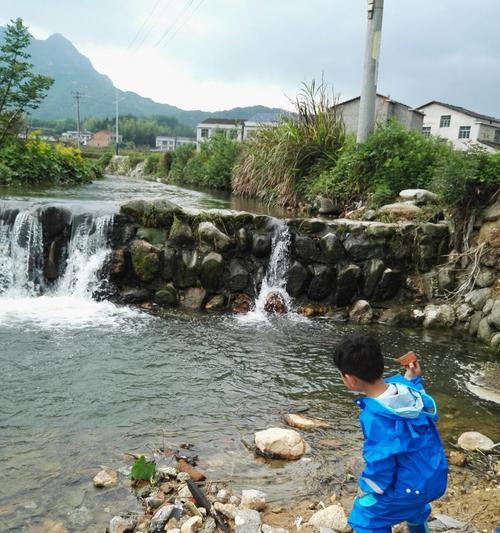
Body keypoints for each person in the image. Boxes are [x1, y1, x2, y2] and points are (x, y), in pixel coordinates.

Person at [332, 333, 448, 533]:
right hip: (433, 478)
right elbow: (409, 401)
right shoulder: (410, 391)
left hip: (412, 489)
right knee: (412, 502)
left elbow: (381, 463)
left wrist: (367, 489)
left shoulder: (375, 417)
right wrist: (413, 378)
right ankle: (417, 525)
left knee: (365, 517)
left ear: (349, 379)